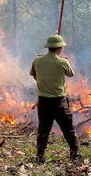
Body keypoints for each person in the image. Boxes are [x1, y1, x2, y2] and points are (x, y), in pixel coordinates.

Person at [30, 35, 79, 163]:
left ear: (48, 47)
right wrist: (63, 61)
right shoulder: (63, 62)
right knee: (68, 129)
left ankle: (40, 155)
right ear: (59, 48)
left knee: (43, 130)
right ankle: (74, 154)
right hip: (59, 102)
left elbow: (34, 75)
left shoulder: (37, 61)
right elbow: (71, 74)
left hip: (43, 101)